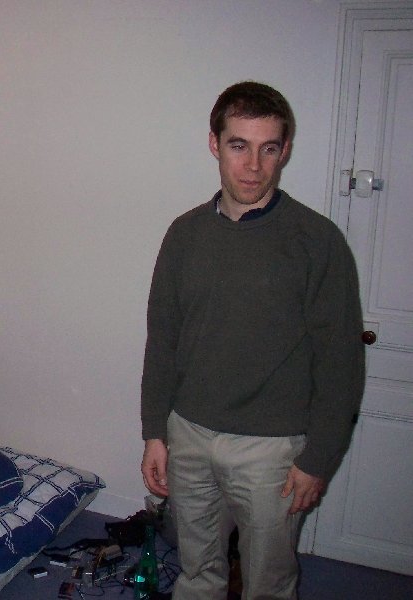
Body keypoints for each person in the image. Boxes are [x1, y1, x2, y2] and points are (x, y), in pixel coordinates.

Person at [140, 81, 365, 600]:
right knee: (197, 576)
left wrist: (318, 458)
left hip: (273, 452)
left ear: (285, 150)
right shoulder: (184, 235)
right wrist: (155, 431)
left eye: (269, 148)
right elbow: (162, 340)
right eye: (239, 145)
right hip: (188, 436)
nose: (254, 166)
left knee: (268, 584)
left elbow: (341, 364)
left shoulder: (317, 241)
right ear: (215, 144)